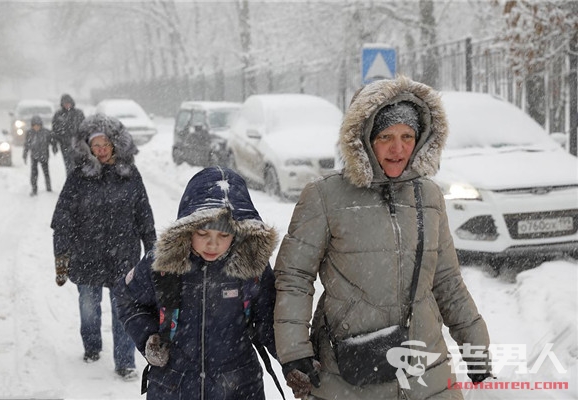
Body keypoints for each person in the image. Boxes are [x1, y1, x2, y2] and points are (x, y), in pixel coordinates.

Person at [273, 75, 492, 399]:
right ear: (363, 138)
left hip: (426, 364)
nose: (398, 148)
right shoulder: (325, 195)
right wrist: (294, 351)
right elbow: (294, 276)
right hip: (348, 368)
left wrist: (476, 344)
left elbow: (446, 280)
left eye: (407, 136)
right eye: (386, 136)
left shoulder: (428, 196)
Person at [113, 166, 280, 399]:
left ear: (239, 233)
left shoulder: (251, 266)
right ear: (188, 229)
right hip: (174, 386)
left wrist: (294, 361)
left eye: (223, 236)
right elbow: (126, 297)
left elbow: (270, 322)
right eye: (203, 234)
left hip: (238, 387)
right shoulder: (164, 262)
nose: (212, 245)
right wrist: (148, 337)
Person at [51, 113, 156, 381]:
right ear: (87, 147)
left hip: (123, 256)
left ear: (116, 144)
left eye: (105, 144)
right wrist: (61, 255)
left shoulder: (130, 175)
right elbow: (63, 217)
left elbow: (143, 214)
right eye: (94, 145)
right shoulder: (78, 177)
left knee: (124, 311)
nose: (100, 150)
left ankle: (125, 362)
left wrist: (153, 251)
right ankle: (92, 347)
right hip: (86, 254)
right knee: (88, 308)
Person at [22, 115, 57, 196]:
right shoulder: (29, 133)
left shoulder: (46, 132)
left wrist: (54, 148)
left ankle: (48, 188)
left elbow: (52, 141)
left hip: (44, 156)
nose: (36, 127)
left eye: (38, 125)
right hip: (34, 156)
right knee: (34, 173)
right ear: (32, 126)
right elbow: (26, 145)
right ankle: (34, 189)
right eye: (34, 125)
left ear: (41, 125)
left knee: (46, 172)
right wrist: (25, 154)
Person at [52, 93, 85, 174]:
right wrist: (54, 144)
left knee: (79, 165)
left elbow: (85, 128)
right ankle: (71, 183)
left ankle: (80, 183)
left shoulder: (78, 113)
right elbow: (54, 131)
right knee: (68, 166)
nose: (67, 105)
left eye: (68, 103)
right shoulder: (58, 115)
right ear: (62, 104)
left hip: (78, 144)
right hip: (64, 145)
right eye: (65, 103)